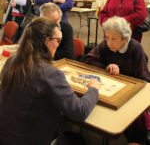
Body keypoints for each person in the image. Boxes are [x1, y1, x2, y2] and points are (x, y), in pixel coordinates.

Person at [0, 17, 101, 145]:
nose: (58, 45)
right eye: (58, 40)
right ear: (47, 41)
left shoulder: (11, 62)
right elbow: (79, 112)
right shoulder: (50, 74)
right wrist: (93, 88)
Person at [82, 16, 150, 144]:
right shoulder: (106, 44)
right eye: (107, 37)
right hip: (110, 90)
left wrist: (126, 81)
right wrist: (106, 67)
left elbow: (144, 80)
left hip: (130, 93)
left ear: (125, 39)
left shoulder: (136, 49)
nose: (109, 42)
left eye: (113, 39)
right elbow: (88, 60)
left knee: (139, 118)